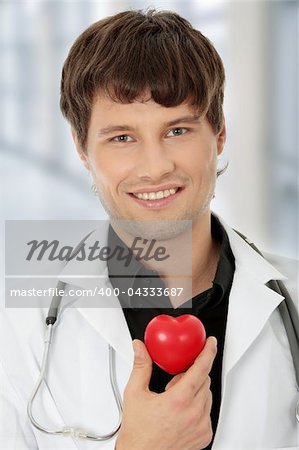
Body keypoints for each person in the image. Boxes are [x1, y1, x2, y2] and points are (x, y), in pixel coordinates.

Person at [0, 9, 298, 450]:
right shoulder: (17, 322)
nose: (156, 167)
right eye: (122, 137)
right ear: (83, 150)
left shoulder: (292, 298)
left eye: (177, 129)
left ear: (218, 135)